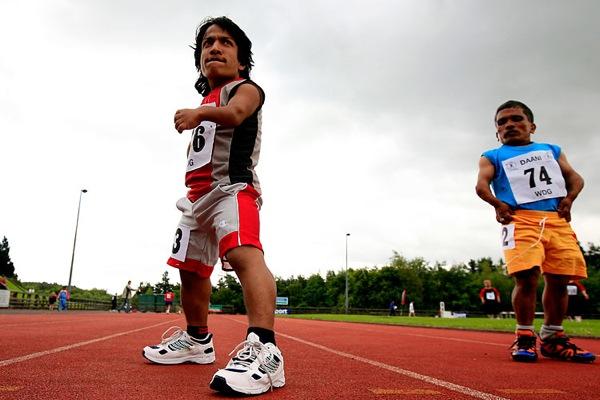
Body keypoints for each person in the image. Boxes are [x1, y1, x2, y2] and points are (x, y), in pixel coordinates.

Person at [142, 16, 285, 395]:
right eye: (208, 43)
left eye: (225, 42)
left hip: (231, 189)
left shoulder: (246, 89)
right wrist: (200, 111)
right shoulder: (206, 99)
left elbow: (236, 114)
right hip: (195, 200)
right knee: (189, 270)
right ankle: (197, 340)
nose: (215, 47)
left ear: (242, 61)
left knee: (243, 254)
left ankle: (265, 348)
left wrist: (199, 114)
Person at [476, 100, 595, 363]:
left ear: (532, 126)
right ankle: (525, 336)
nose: (509, 125)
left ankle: (553, 338)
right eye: (502, 122)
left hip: (556, 220)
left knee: (560, 278)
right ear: (497, 132)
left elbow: (575, 178)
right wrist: (497, 204)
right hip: (520, 220)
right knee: (527, 277)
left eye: (516, 119)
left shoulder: (551, 150)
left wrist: (569, 199)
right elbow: (482, 186)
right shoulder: (491, 156)